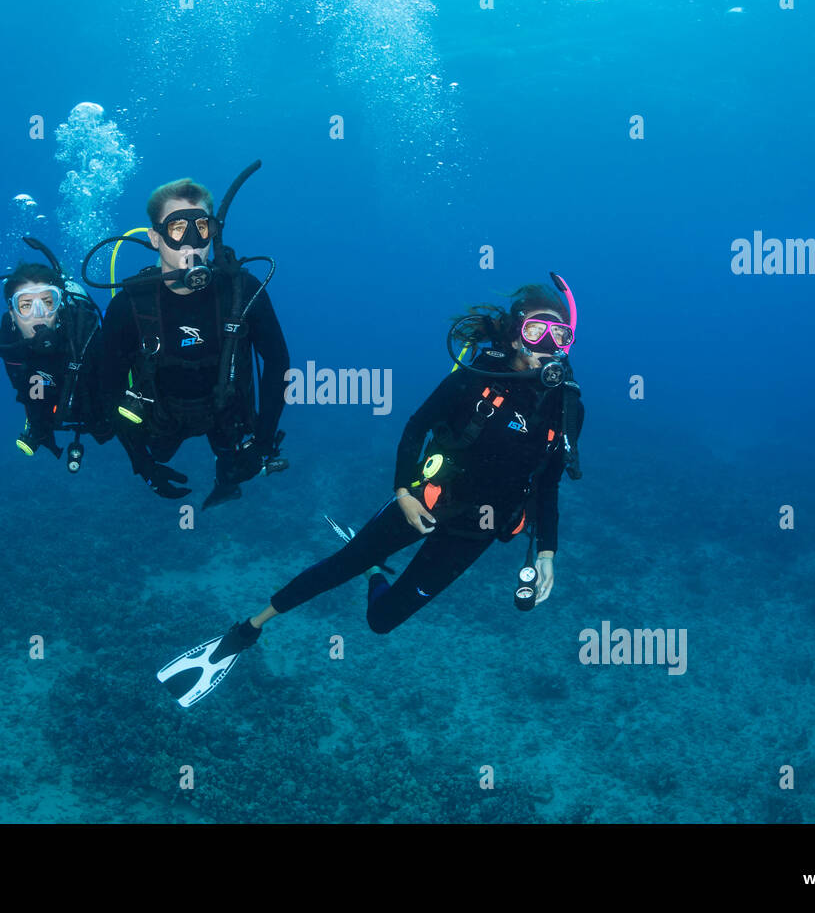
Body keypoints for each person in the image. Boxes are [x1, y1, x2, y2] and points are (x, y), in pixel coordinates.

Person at [158, 275, 586, 706]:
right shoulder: (474, 378)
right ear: (516, 336)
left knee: (382, 620)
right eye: (536, 331)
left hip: (476, 532)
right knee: (340, 565)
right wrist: (403, 492)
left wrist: (547, 552)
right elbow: (416, 427)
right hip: (425, 501)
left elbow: (547, 484)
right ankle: (247, 628)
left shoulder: (567, 406)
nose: (546, 344)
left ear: (567, 343)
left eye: (558, 335)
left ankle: (375, 573)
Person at [96, 174, 289, 507]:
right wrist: (140, 462)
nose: (190, 241)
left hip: (227, 412)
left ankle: (226, 476)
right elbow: (108, 383)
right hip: (161, 418)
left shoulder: (241, 289)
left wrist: (263, 441)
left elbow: (277, 362)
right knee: (159, 449)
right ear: (155, 238)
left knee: (232, 466)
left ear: (213, 232)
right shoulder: (129, 305)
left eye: (201, 228)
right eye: (175, 229)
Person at [0, 238, 111, 471]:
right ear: (12, 313)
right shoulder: (8, 343)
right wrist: (38, 423)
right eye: (25, 305)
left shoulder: (84, 333)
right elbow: (24, 385)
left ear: (60, 305)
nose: (39, 314)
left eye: (48, 302)